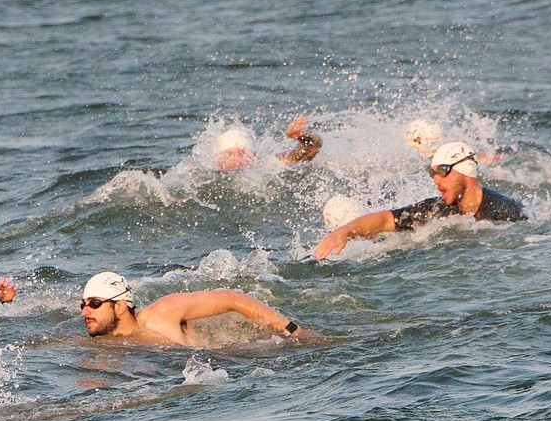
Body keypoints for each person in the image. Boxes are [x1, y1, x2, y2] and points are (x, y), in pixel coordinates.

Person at [311, 141, 526, 259]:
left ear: (465, 170)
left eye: (442, 171)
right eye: (433, 173)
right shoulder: (436, 209)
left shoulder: (505, 210)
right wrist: (345, 231)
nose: (435, 180)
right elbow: (387, 220)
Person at [75, 272, 306, 347]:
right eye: (83, 305)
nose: (86, 311)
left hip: (242, 357)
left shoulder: (163, 313)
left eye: (95, 304)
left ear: (120, 306)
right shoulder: (103, 345)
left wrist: (290, 329)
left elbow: (232, 298)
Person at [215, 117, 323, 170]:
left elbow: (312, 147)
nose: (236, 160)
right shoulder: (204, 175)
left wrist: (301, 136)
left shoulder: (267, 165)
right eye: (228, 155)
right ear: (216, 158)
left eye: (242, 154)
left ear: (253, 155)